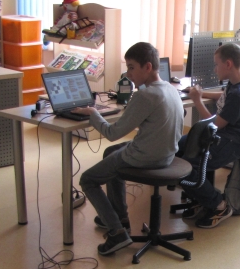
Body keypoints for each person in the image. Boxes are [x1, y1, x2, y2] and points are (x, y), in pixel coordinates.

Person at [75, 42, 184, 256]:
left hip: (146, 157)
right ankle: (119, 217)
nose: (128, 73)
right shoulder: (170, 88)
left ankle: (117, 232)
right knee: (110, 153)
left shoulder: (144, 96)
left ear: (148, 67)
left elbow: (112, 133)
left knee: (87, 179)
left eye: (132, 67)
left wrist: (93, 114)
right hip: (166, 154)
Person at [181, 42, 240, 228]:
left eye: (217, 64)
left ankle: (218, 204)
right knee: (177, 147)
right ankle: (203, 198)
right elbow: (224, 95)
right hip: (223, 136)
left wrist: (197, 100)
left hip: (230, 142)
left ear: (228, 64)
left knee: (187, 166)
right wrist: (202, 93)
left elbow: (212, 126)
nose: (215, 69)